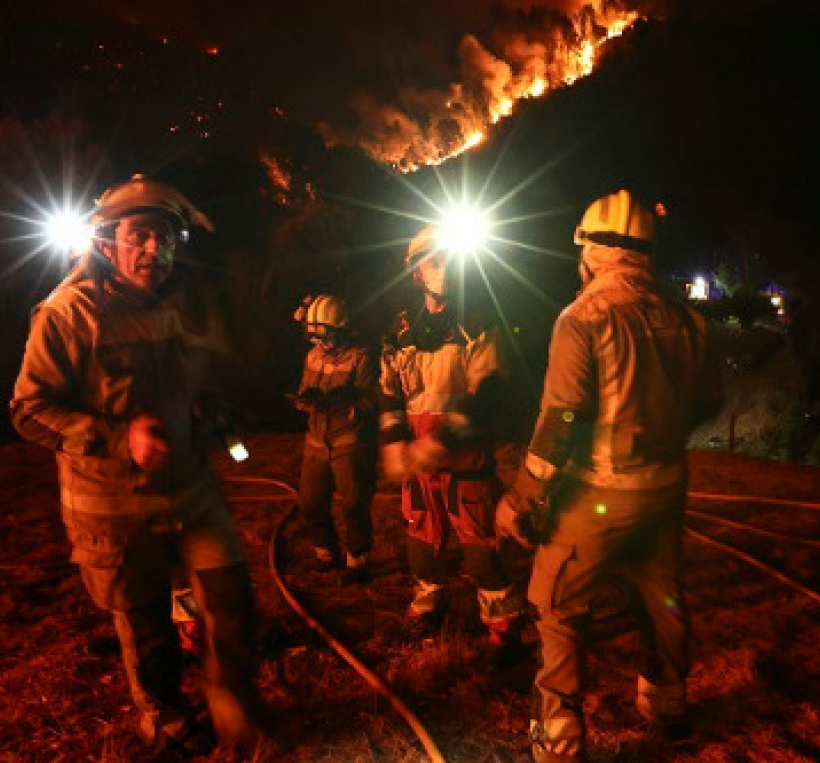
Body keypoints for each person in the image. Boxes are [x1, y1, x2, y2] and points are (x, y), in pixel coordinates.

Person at [10, 174, 274, 759]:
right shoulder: (68, 314)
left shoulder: (180, 303)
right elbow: (29, 410)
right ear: (106, 241)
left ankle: (235, 711)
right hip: (115, 507)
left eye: (166, 237)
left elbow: (197, 378)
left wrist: (211, 409)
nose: (155, 249)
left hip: (190, 490)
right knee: (147, 621)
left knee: (229, 594)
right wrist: (116, 435)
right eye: (140, 236)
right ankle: (165, 720)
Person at [497, 190, 723, 763]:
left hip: (597, 496)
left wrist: (522, 498)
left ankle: (559, 736)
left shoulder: (582, 318)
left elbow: (561, 419)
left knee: (557, 606)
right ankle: (668, 704)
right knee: (660, 595)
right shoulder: (688, 317)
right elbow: (709, 400)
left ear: (593, 249)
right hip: (665, 489)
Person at [378, 224, 528, 659]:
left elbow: (488, 393)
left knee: (480, 543)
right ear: (416, 273)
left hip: (466, 462)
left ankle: (503, 621)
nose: (444, 270)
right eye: (435, 261)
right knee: (421, 536)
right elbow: (389, 392)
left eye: (452, 262)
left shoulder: (479, 324)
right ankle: (430, 599)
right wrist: (394, 442)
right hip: (419, 462)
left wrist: (443, 439)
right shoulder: (399, 330)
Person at [290, 293, 378, 582]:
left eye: (325, 336)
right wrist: (304, 401)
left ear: (341, 329)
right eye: (315, 336)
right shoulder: (312, 355)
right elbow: (305, 388)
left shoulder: (361, 356)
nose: (320, 342)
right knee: (310, 503)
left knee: (354, 505)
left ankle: (358, 562)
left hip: (348, 444)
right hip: (316, 442)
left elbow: (370, 400)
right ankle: (325, 554)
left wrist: (345, 406)